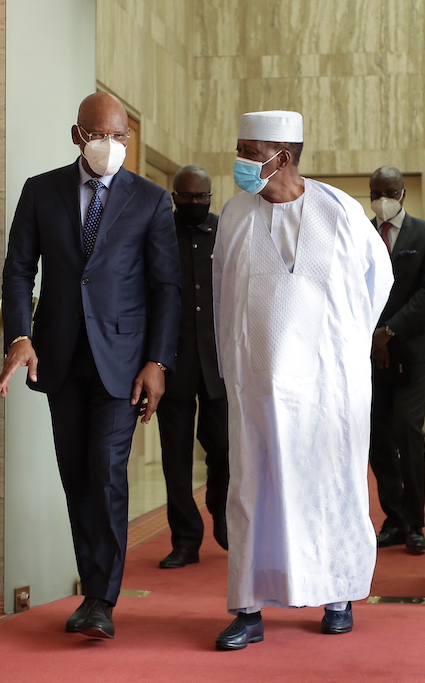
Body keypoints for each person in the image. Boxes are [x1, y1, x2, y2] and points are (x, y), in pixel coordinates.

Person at [0, 92, 180, 640]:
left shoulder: (150, 200)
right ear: (79, 135)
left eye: (121, 136)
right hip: (59, 359)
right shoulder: (41, 190)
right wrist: (21, 336)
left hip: (121, 363)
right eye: (102, 135)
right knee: (76, 476)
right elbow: (18, 269)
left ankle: (100, 598)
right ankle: (92, 586)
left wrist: (157, 361)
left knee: (105, 473)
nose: (112, 145)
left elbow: (165, 287)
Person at [212, 110, 393, 650]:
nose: (241, 161)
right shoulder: (235, 214)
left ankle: (337, 594)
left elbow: (375, 278)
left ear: (283, 156)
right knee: (250, 488)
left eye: (250, 150)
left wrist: (345, 348)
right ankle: (247, 607)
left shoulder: (340, 212)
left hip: (326, 387)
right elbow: (224, 297)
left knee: (330, 483)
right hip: (258, 382)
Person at [156, 165, 230, 570]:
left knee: (222, 447)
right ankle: (184, 539)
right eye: (186, 198)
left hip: (218, 362)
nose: (194, 204)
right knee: (176, 456)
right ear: (174, 197)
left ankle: (221, 513)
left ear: (210, 197)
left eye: (201, 198)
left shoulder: (225, 231)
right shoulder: (159, 232)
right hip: (173, 361)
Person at [367, 166, 425, 553]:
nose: (382, 199)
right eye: (376, 192)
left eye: (389, 191)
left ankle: (415, 522)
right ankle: (392, 517)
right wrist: (369, 337)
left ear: (403, 193)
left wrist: (388, 331)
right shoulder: (361, 233)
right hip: (370, 355)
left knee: (408, 432)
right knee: (377, 436)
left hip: (410, 351)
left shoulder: (424, 234)